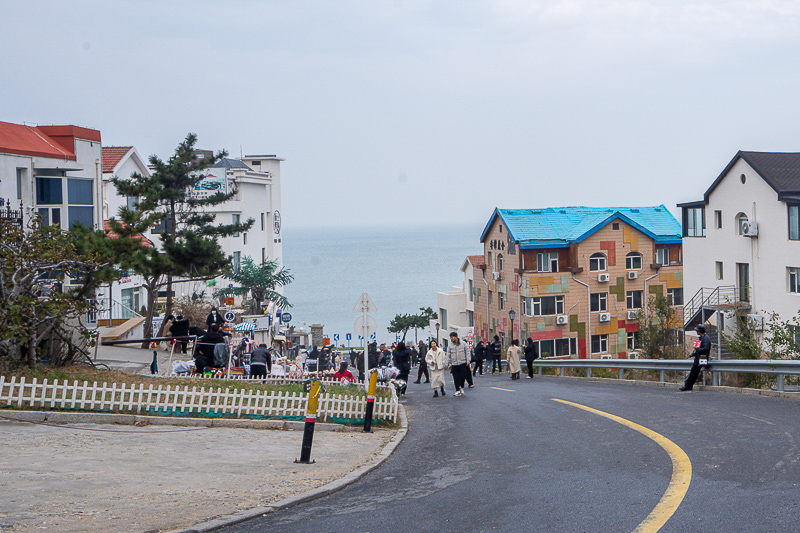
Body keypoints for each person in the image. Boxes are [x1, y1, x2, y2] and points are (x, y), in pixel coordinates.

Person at [679, 324, 712, 391]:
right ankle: (689, 386)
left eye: (697, 330)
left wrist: (697, 349)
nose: (696, 332)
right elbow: (700, 349)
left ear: (699, 331)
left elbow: (706, 349)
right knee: (694, 372)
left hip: (701, 358)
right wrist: (693, 354)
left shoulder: (705, 338)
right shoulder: (702, 337)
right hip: (698, 357)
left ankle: (687, 386)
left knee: (694, 372)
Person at [447, 332, 471, 396]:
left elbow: (467, 352)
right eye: (451, 338)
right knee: (455, 377)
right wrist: (447, 363)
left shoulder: (463, 344)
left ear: (456, 337)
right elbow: (448, 355)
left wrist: (468, 360)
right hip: (454, 363)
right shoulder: (450, 346)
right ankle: (457, 390)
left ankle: (461, 387)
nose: (451, 339)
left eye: (452, 337)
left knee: (462, 376)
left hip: (462, 363)